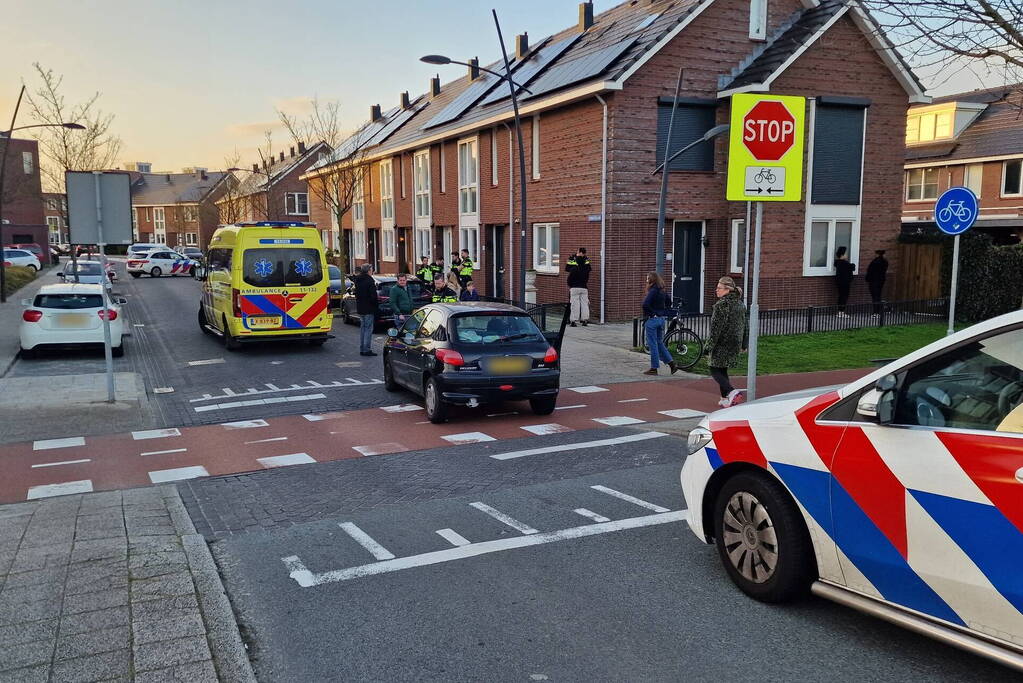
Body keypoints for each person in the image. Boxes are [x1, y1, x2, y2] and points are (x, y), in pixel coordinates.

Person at [707, 276, 748, 407]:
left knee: (714, 369)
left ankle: (732, 391)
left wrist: (708, 347)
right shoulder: (740, 304)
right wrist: (744, 343)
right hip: (735, 342)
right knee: (722, 369)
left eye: (719, 288)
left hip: (722, 342)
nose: (716, 290)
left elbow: (715, 329)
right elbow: (745, 325)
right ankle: (725, 399)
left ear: (727, 290)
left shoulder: (721, 305)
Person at [642, 272, 678, 376]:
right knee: (659, 343)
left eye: (647, 279)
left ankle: (654, 368)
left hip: (652, 321)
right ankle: (672, 364)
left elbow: (645, 304)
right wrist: (662, 311)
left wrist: (653, 314)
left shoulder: (653, 290)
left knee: (652, 344)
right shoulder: (662, 290)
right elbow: (669, 302)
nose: (646, 281)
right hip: (661, 319)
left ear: (652, 280)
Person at [353, 264, 379, 356]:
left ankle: (362, 348)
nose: (372, 271)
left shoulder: (358, 280)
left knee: (363, 329)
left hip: (361, 308)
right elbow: (373, 296)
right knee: (368, 329)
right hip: (368, 308)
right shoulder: (370, 281)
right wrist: (375, 306)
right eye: (371, 269)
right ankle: (366, 349)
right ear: (368, 271)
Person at [566, 247, 591, 327]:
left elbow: (569, 275)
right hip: (584, 287)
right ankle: (585, 320)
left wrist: (570, 285)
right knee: (585, 304)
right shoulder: (586, 266)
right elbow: (588, 271)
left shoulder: (573, 266)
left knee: (574, 304)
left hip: (574, 287)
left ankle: (573, 321)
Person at [865, 249, 888, 316]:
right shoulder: (885, 262)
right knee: (878, 296)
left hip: (873, 282)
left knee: (875, 297)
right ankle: (878, 311)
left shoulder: (874, 262)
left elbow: (869, 271)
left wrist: (868, 279)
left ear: (878, 254)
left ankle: (876, 312)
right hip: (880, 281)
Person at [834, 246, 856, 317]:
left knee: (841, 296)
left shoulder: (838, 263)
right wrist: (853, 265)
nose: (847, 255)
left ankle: (840, 311)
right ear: (842, 255)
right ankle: (841, 312)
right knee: (844, 296)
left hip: (840, 282)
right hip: (845, 283)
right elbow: (852, 267)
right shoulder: (844, 263)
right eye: (846, 253)